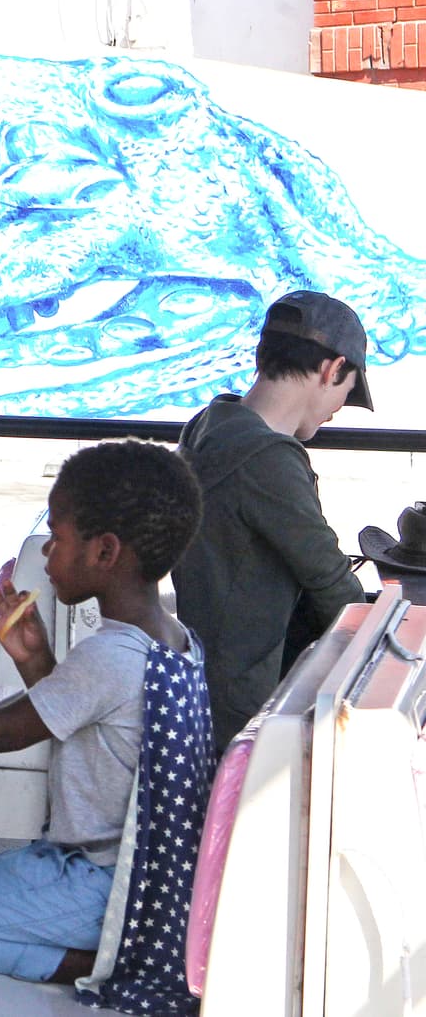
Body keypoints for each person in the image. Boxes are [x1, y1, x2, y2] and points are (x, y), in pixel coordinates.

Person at [0, 440, 205, 985]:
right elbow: (76, 716)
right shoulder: (172, 640)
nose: (47, 553)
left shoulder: (110, 654)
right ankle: (121, 952)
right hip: (149, 877)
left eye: (58, 537)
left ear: (105, 552)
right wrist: (34, 659)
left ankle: (114, 968)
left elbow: (7, 731)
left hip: (106, 886)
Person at [172, 289, 371, 752]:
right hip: (248, 715)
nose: (339, 407)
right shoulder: (268, 460)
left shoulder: (208, 425)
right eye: (347, 389)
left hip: (202, 690)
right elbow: (333, 584)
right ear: (331, 369)